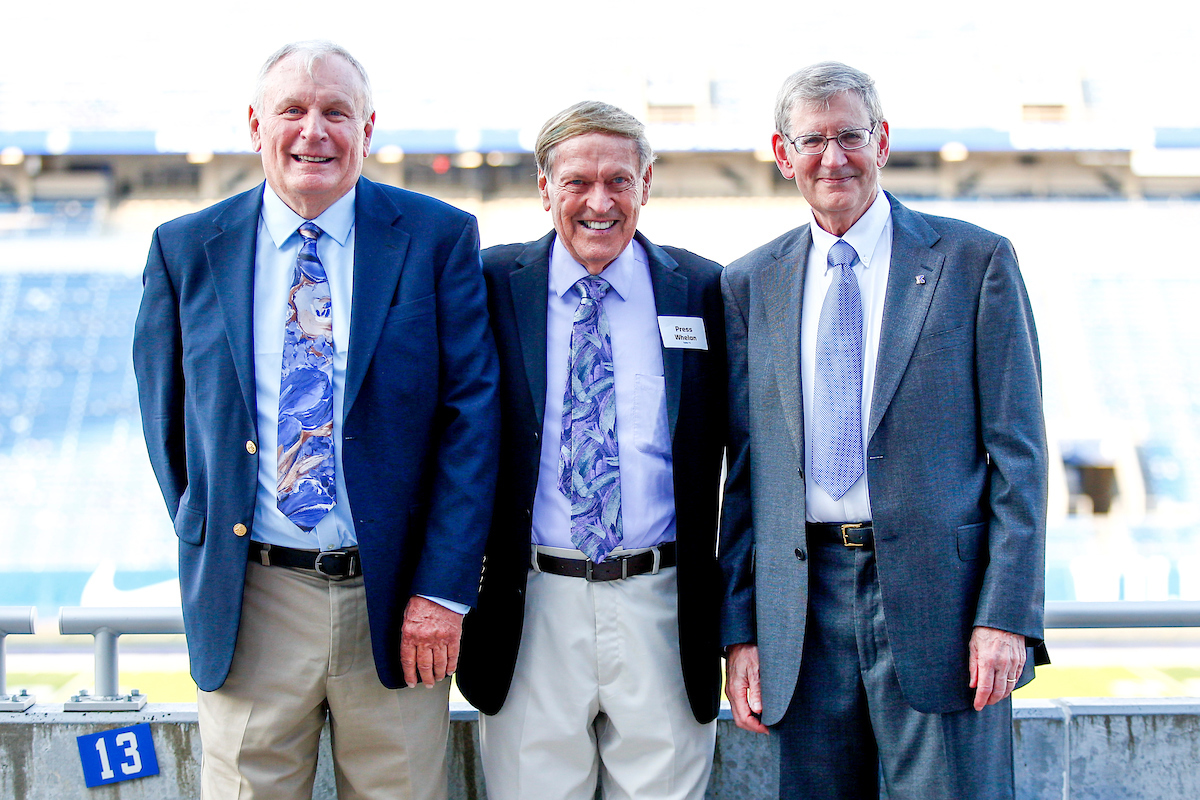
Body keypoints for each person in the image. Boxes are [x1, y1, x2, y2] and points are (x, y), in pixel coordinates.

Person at [133, 40, 499, 800]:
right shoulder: (187, 249)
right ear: (254, 123)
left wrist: (440, 590)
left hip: (397, 598)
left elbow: (471, 420)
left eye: (337, 111)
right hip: (252, 597)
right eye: (293, 111)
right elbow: (169, 426)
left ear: (368, 129)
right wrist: (213, 536)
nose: (314, 131)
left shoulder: (436, 238)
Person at [719, 62, 1049, 800]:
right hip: (800, 614)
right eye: (813, 141)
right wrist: (741, 632)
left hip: (946, 604)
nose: (833, 158)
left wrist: (1005, 617)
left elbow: (1018, 456)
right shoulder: (749, 284)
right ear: (782, 154)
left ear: (884, 141)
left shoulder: (974, 261)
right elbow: (745, 473)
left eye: (851, 136)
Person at [457, 101, 726, 800]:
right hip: (531, 605)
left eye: (619, 181)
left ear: (647, 184)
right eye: (578, 182)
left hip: (662, 607)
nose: (599, 202)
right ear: (545, 187)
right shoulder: (487, 286)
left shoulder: (703, 290)